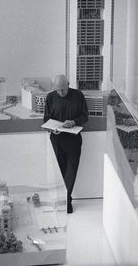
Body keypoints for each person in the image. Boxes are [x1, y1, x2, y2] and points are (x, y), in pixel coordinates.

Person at [43, 74, 88, 213]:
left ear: (68, 84)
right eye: (58, 90)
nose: (61, 92)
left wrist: (74, 122)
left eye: (64, 89)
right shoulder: (50, 97)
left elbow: (85, 115)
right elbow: (46, 119)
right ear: (54, 88)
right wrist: (52, 129)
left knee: (71, 170)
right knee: (59, 170)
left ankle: (67, 200)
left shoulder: (78, 95)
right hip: (57, 139)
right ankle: (62, 200)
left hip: (74, 139)